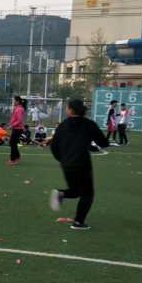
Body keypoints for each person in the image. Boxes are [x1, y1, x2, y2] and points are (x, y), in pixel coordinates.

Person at [49, 99, 109, 231]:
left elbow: (53, 146)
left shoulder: (63, 125)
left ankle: (60, 193)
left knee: (76, 191)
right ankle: (78, 222)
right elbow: (104, 143)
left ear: (70, 110)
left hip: (66, 164)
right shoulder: (89, 124)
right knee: (87, 194)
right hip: (82, 164)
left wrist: (62, 159)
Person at [7, 95, 27, 165]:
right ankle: (17, 157)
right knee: (13, 143)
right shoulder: (17, 108)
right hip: (15, 128)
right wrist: (10, 124)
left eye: (14, 100)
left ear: (18, 101)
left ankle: (13, 159)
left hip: (17, 129)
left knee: (12, 143)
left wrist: (11, 125)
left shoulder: (19, 109)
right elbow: (14, 118)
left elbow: (19, 120)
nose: (13, 102)